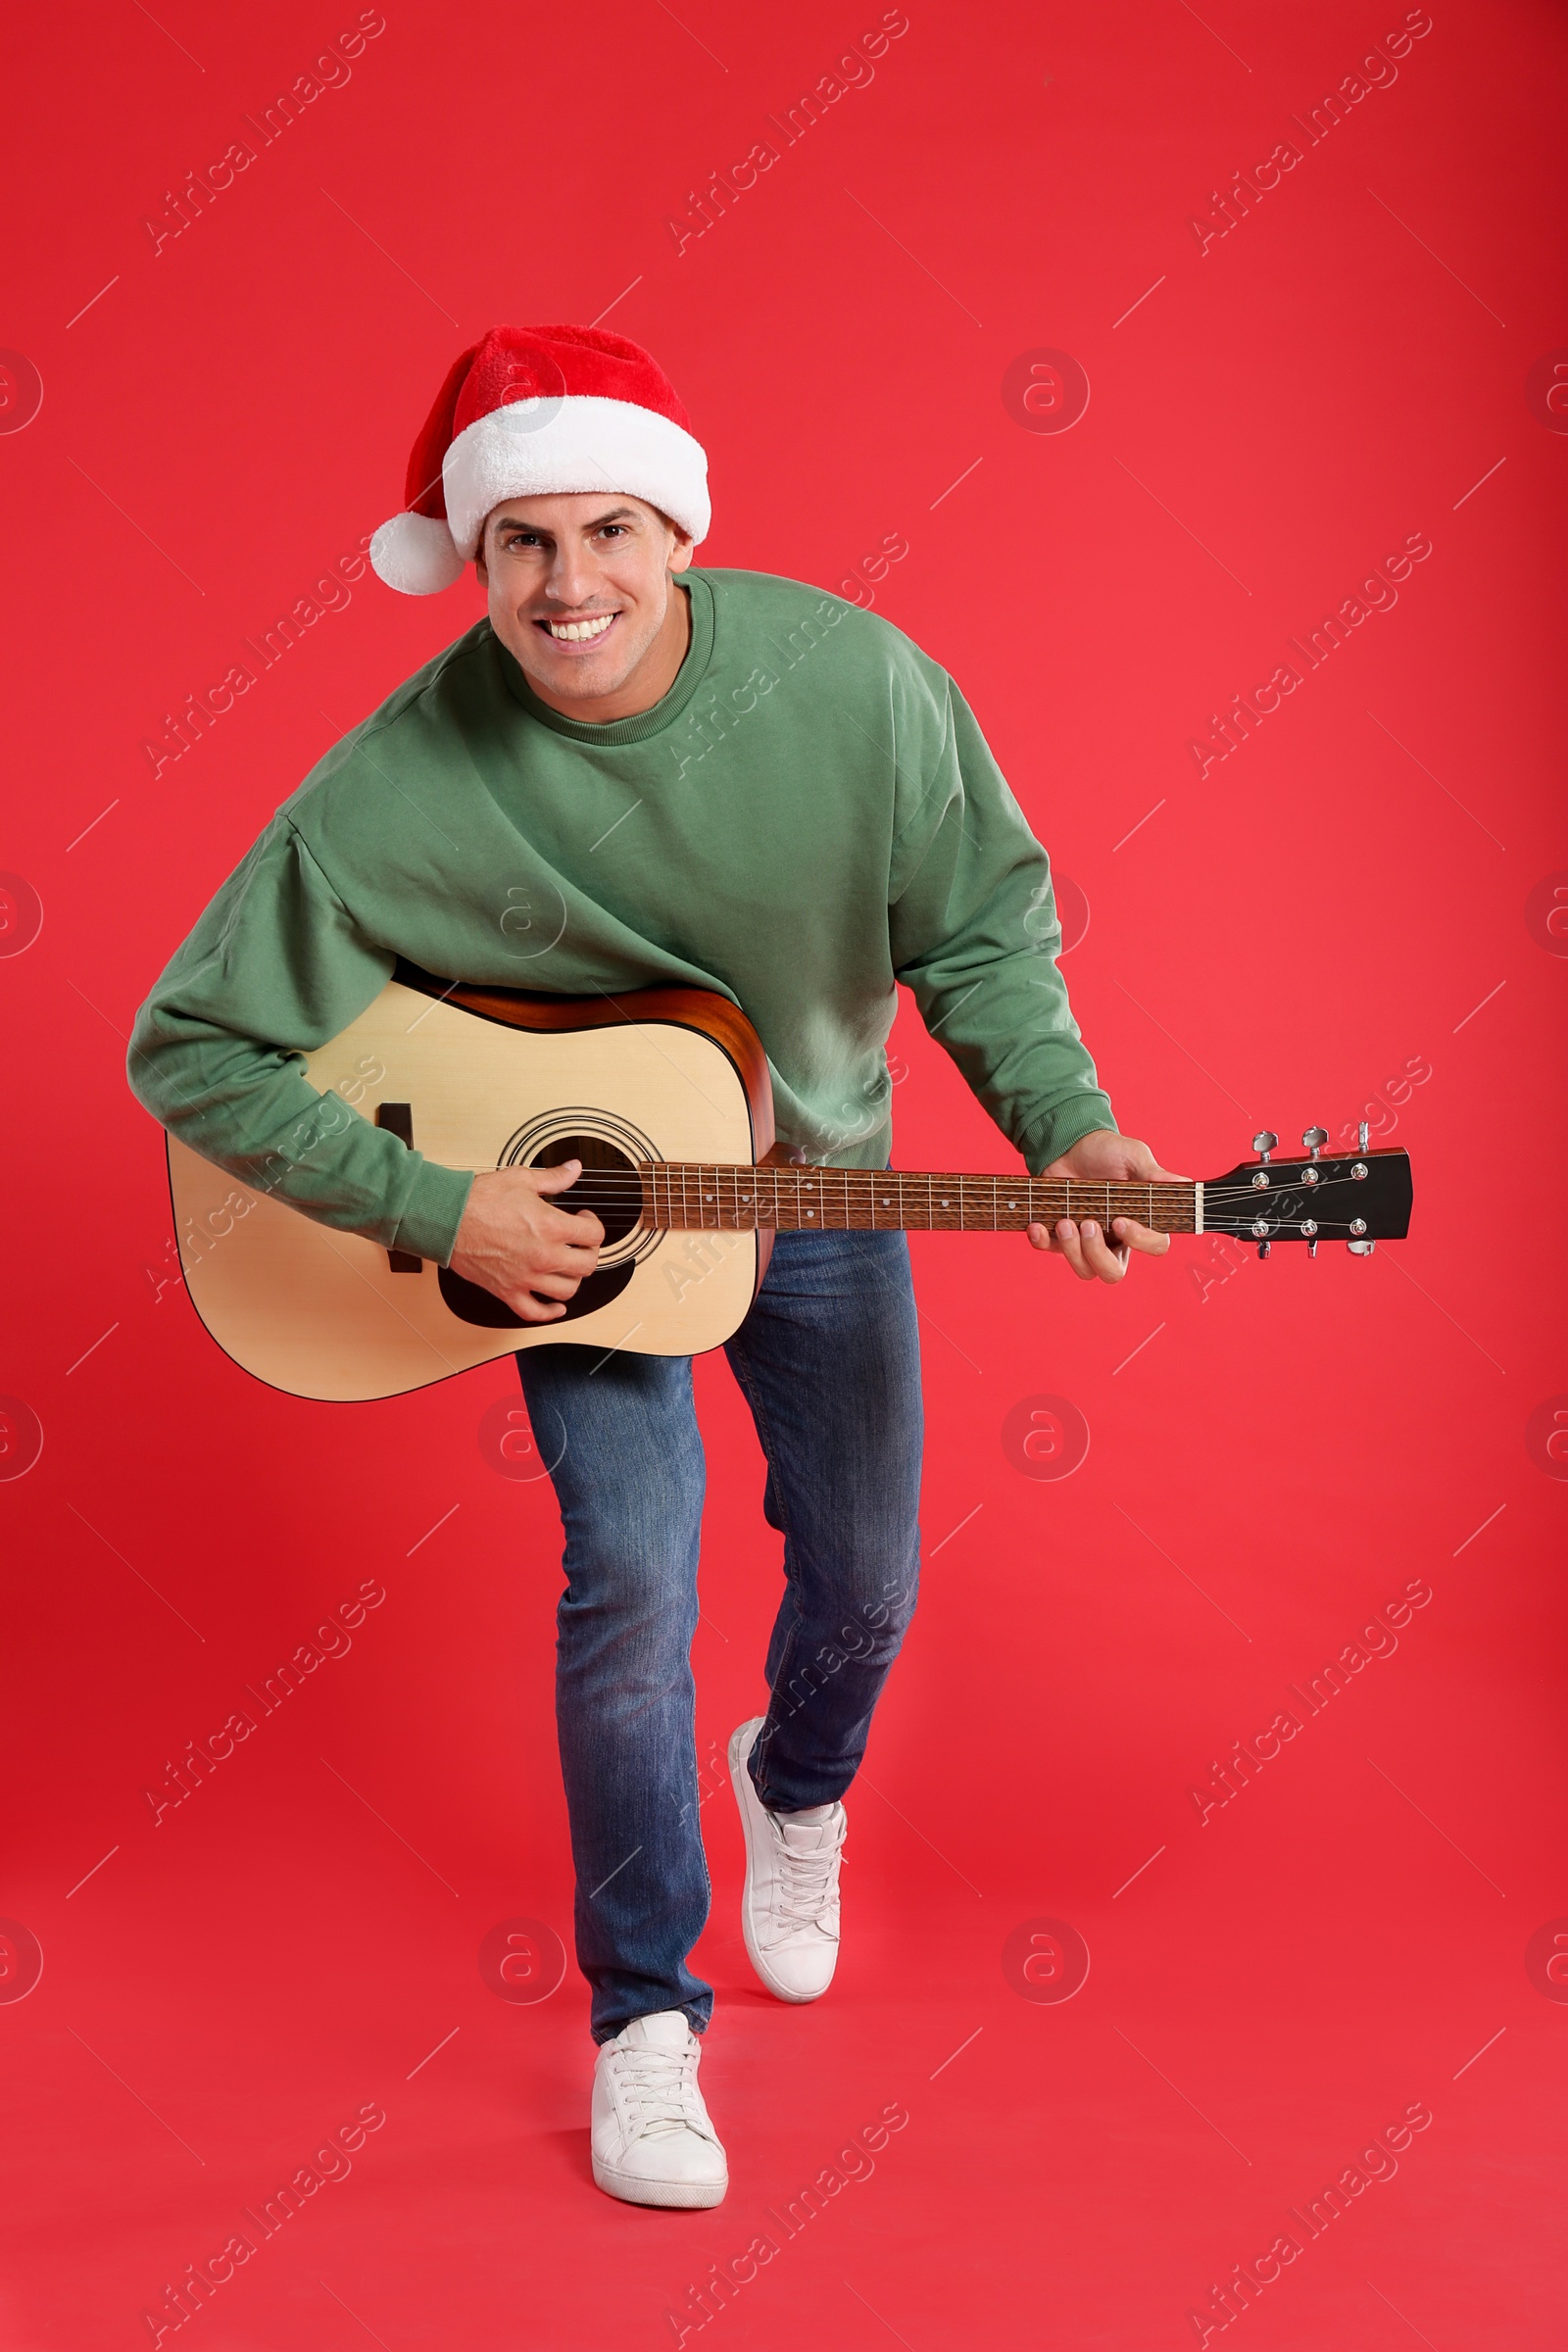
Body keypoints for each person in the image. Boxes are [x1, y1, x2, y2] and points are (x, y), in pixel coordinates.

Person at [127, 323, 1178, 2211]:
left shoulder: (856, 686)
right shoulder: (397, 783)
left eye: (609, 528)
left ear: (678, 527)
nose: (570, 585)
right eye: (521, 542)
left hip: (821, 1191)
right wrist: (440, 1210)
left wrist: (1066, 1128)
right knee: (629, 1586)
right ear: (473, 557)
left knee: (863, 1576)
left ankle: (798, 1779)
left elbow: (983, 931)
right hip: (573, 1238)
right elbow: (188, 1047)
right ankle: (641, 2022)